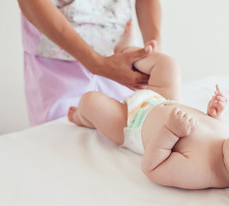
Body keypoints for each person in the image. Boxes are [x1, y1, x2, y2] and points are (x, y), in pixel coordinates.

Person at [68, 31, 229, 206]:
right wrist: (216, 114)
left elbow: (153, 168)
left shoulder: (203, 172)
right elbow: (211, 129)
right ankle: (123, 53)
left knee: (90, 100)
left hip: (133, 124)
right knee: (169, 65)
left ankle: (83, 118)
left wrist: (170, 131)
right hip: (162, 100)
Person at [17, 0, 161, 126]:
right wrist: (97, 64)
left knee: (128, 130)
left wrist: (153, 51)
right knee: (62, 140)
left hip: (122, 56)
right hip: (56, 60)